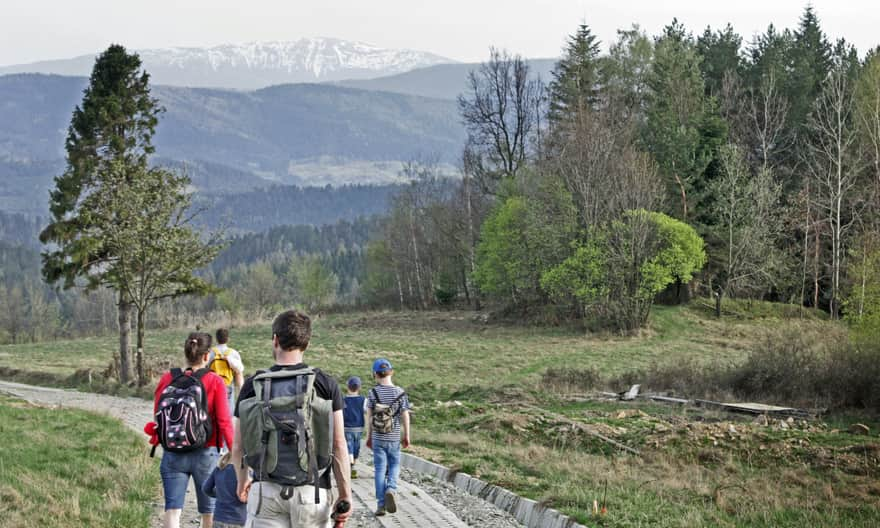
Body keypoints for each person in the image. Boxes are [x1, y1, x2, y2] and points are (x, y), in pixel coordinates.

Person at [230, 309, 353, 527]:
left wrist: (242, 482)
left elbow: (238, 446)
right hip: (312, 493)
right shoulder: (324, 384)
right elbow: (339, 444)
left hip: (264, 491)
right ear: (307, 343)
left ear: (275, 340)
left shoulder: (253, 384)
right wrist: (345, 494)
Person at [154, 332, 234, 528]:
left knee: (172, 510)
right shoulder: (215, 381)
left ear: (186, 352)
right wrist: (234, 452)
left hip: (173, 452)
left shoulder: (167, 378)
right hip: (206, 454)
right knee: (209, 512)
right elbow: (224, 421)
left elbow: (158, 414)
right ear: (207, 356)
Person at [365, 358, 411, 517]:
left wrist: (368, 436)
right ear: (391, 372)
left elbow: (369, 416)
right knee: (394, 465)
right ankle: (391, 488)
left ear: (375, 375)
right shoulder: (400, 392)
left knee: (379, 470)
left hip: (378, 437)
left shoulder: (372, 393)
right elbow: (405, 416)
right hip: (394, 436)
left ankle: (380, 505)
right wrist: (407, 436)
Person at [202, 452, 247, 528]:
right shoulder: (247, 472)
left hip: (219, 518)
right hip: (240, 519)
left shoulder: (219, 468)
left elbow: (206, 488)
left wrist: (220, 494)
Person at [208, 328, 245, 417]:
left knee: (213, 410)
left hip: (213, 384)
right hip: (228, 384)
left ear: (216, 339)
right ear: (228, 339)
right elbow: (239, 371)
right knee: (228, 411)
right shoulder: (233, 353)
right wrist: (241, 388)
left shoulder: (210, 352)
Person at [342, 376, 366, 479]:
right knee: (356, 447)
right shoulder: (363, 400)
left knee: (349, 448)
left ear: (347, 387)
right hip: (359, 428)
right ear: (359, 387)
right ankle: (353, 465)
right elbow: (366, 412)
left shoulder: (343, 400)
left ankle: (350, 466)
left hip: (346, 427)